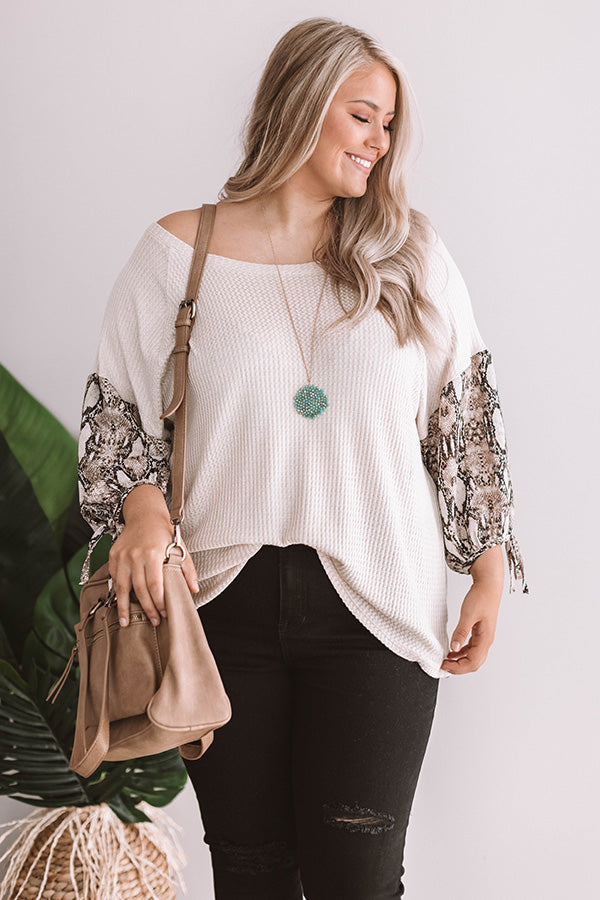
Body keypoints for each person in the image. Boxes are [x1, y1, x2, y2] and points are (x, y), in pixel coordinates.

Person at [77, 16, 528, 900]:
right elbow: (120, 414)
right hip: (217, 606)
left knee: (358, 880)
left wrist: (486, 564)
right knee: (251, 875)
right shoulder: (177, 253)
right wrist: (143, 511)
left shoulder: (410, 254)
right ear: (300, 103)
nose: (379, 141)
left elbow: (463, 417)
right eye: (362, 116)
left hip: (379, 607)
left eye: (388, 124)